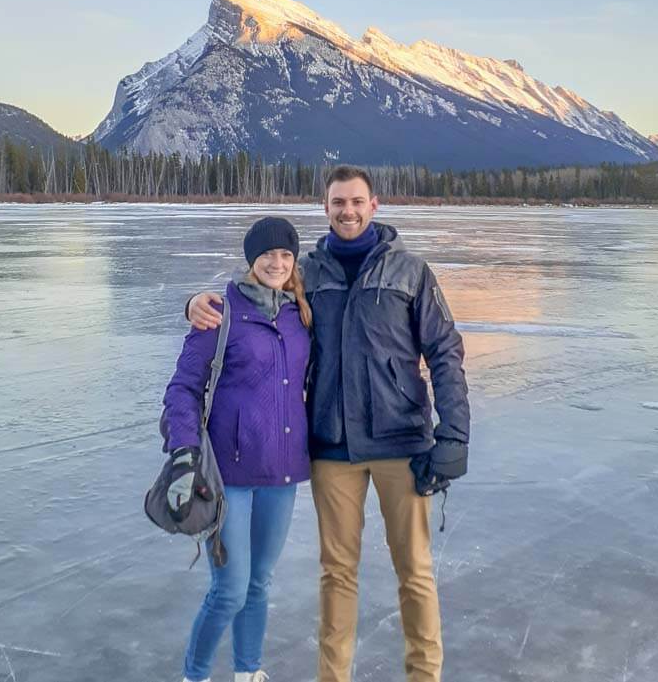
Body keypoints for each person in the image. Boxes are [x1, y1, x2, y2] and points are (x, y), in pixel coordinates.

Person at [187, 166, 470, 682]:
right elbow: (253, 292)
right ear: (326, 208)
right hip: (333, 449)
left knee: (414, 572)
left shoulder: (410, 271)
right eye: (339, 202)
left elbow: (445, 352)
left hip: (402, 444)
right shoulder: (308, 274)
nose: (348, 211)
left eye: (357, 201)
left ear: (374, 205)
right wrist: (192, 303)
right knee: (337, 574)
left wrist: (453, 433)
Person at [163, 216, 313, 682]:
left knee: (259, 583)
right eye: (267, 254)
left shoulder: (301, 314)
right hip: (227, 476)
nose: (277, 263)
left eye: (285, 254)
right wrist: (184, 452)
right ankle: (195, 675)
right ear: (251, 259)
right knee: (230, 588)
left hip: (282, 472)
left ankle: (248, 671)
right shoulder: (220, 312)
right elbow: (182, 389)